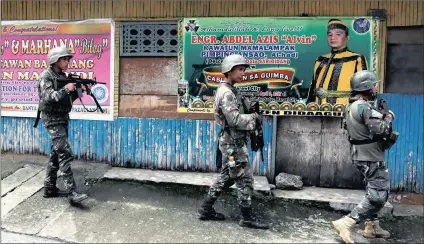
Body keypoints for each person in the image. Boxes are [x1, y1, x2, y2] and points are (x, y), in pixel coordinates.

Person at [197, 54, 269, 229]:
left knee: (227, 177)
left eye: (244, 69)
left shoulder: (229, 90)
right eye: (240, 69)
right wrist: (254, 117)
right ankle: (246, 218)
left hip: (231, 142)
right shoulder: (227, 93)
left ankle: (205, 208)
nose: (243, 73)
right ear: (229, 71)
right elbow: (234, 120)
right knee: (245, 180)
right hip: (233, 145)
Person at [332, 71, 396, 243]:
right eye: (374, 84)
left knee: (373, 189)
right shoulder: (363, 106)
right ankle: (347, 222)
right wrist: (388, 117)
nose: (376, 87)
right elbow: (381, 130)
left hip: (362, 154)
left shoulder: (352, 105)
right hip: (371, 156)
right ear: (366, 87)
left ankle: (371, 227)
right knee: (379, 194)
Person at [35, 46, 90, 204]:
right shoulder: (46, 76)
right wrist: (67, 89)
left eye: (68, 59)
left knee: (56, 154)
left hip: (62, 118)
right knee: (64, 153)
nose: (67, 62)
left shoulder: (63, 76)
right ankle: (72, 193)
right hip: (52, 120)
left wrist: (81, 90)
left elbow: (68, 98)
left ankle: (49, 188)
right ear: (55, 60)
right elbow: (48, 98)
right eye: (64, 59)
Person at [307, 19, 368, 105]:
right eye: (329, 34)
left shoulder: (356, 59)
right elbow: (312, 89)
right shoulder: (320, 60)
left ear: (347, 38)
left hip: (344, 111)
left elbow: (363, 90)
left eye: (338, 34)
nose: (332, 38)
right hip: (318, 111)